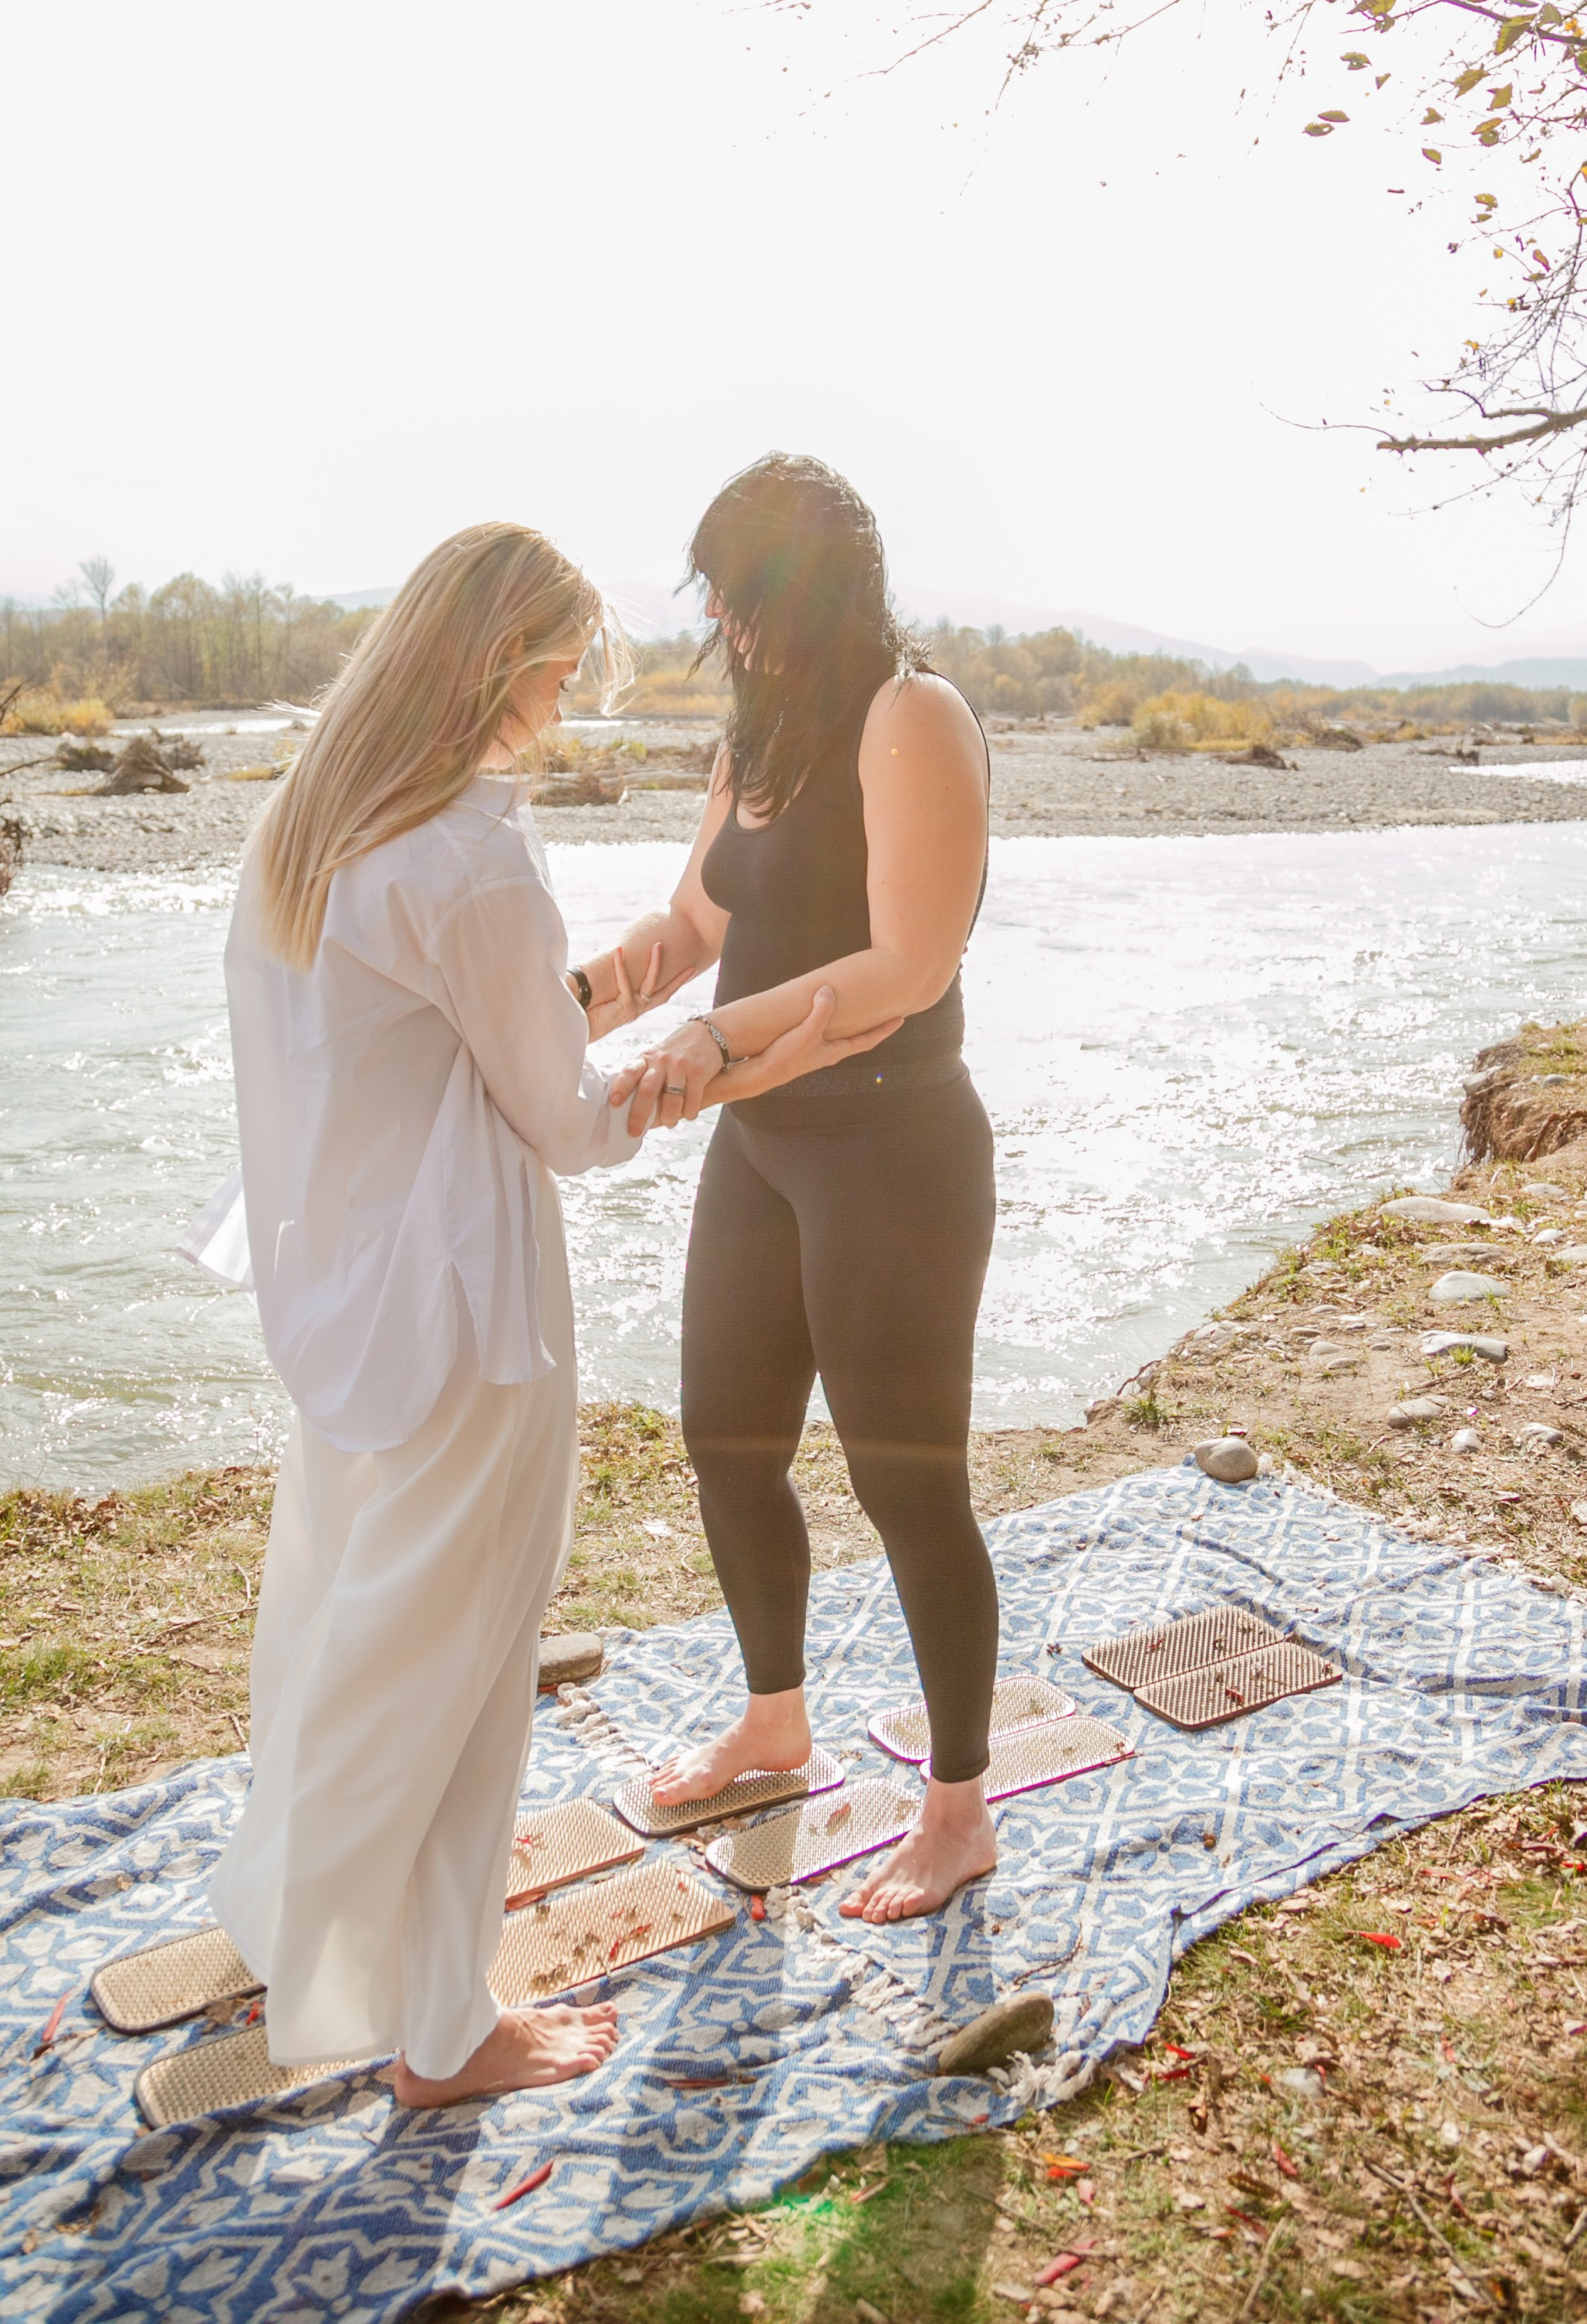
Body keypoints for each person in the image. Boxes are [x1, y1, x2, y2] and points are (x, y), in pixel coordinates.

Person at [198, 521, 891, 2107]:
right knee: (455, 1660)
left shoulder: (313, 823)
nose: (569, 700)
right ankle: (439, 2028)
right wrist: (681, 1071)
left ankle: (285, 1915)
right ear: (497, 665)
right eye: (562, 669)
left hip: (338, 1294)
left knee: (337, 1614)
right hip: (463, 1312)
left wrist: (578, 1019)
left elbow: (407, 1053)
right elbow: (564, 1123)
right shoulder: (466, 852)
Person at [576, 455, 998, 1924]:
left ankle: (958, 1811)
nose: (719, 619)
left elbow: (908, 964)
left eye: (739, 590)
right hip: (764, 1149)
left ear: (805, 588)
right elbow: (694, 923)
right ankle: (775, 1728)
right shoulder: (758, 739)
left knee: (906, 1482)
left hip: (895, 1153)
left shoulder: (911, 718)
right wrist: (556, 1007)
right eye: (710, 593)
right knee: (728, 1444)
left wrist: (707, 1042)